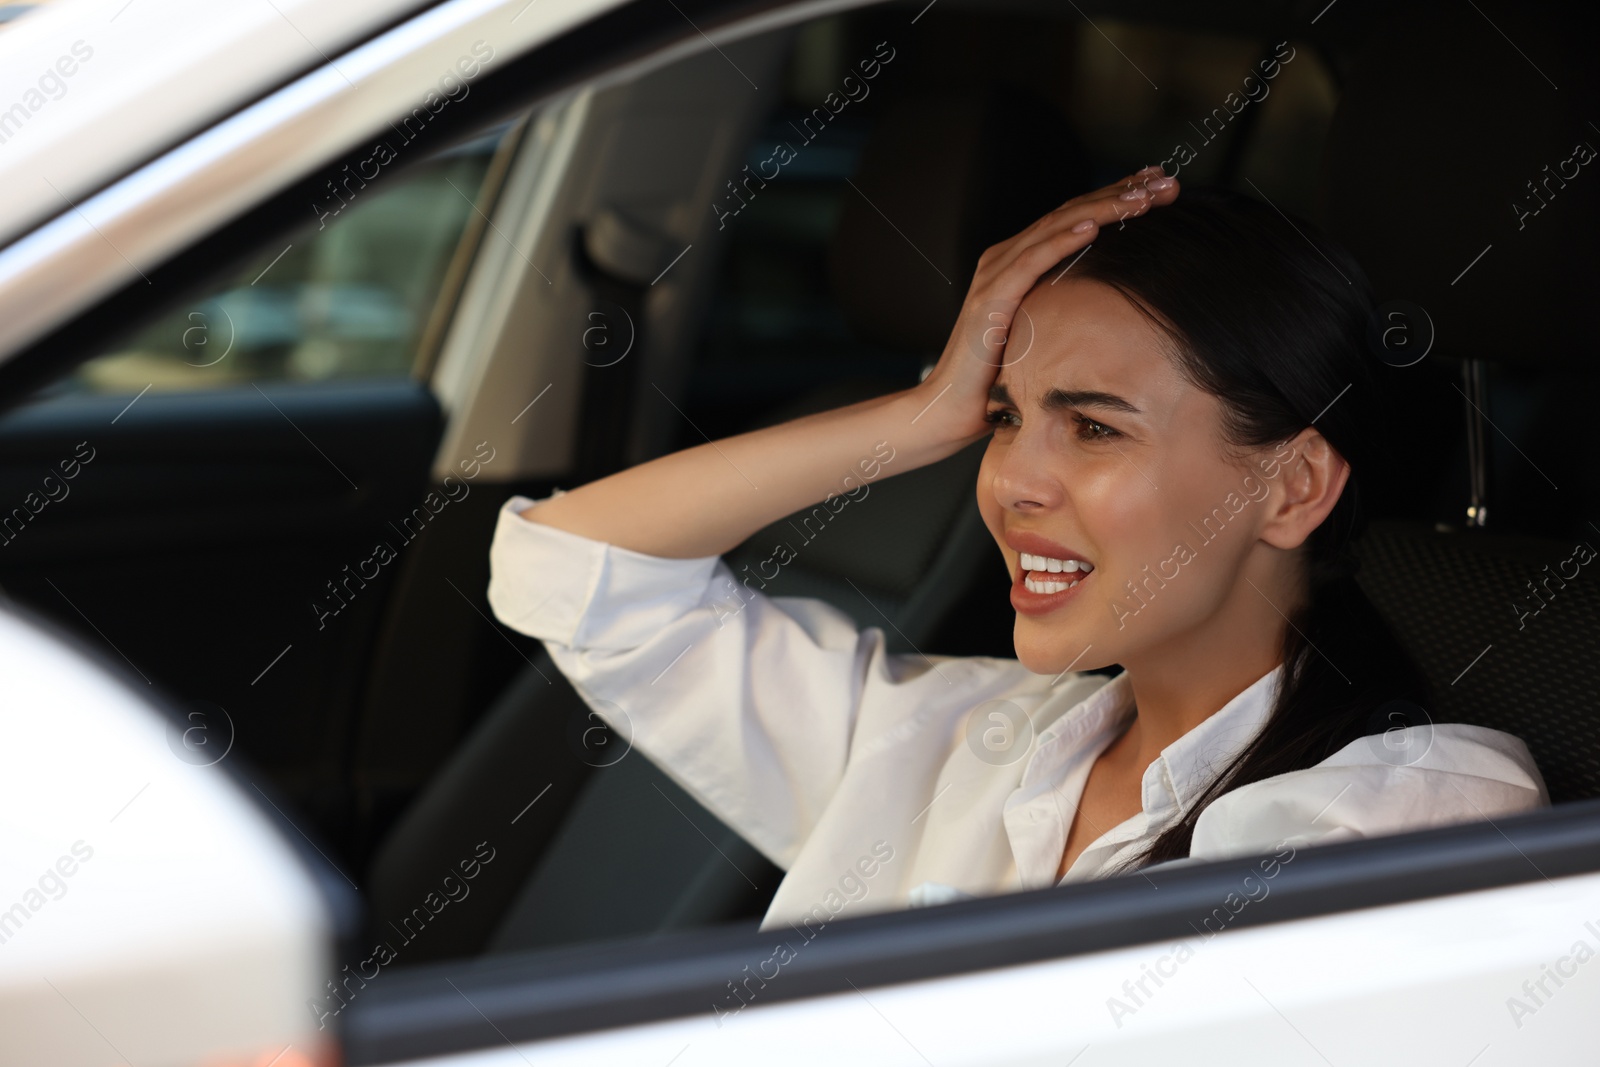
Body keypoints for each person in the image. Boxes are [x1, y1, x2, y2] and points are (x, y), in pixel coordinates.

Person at [485, 169, 1546, 930]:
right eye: (1002, 417)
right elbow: (574, 570)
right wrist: (917, 413)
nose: (1007, 481)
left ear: (1293, 484)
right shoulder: (952, 734)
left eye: (1092, 427)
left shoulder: (1404, 811)